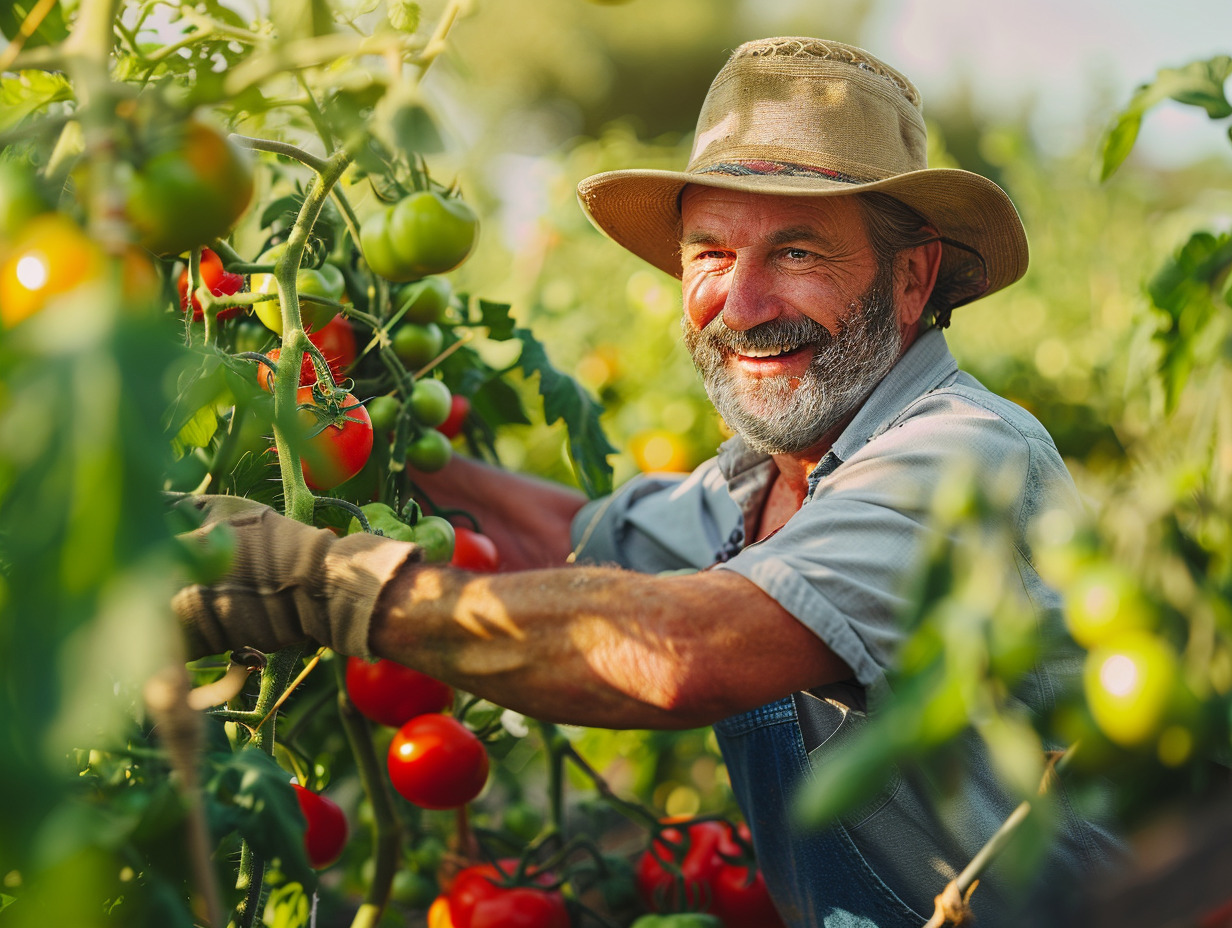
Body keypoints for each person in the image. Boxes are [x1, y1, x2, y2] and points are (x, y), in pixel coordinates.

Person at [174, 37, 1122, 927]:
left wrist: (311, 583)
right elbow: (571, 538)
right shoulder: (756, 489)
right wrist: (356, 428)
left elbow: (686, 652)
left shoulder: (961, 461)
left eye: (796, 252)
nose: (740, 305)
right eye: (710, 253)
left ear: (911, 281)